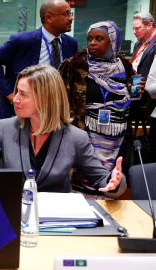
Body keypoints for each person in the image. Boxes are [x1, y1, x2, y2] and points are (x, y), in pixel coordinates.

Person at [0, 65, 126, 198]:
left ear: (45, 99)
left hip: (56, 221)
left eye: (23, 94)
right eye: (17, 91)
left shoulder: (76, 137)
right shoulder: (5, 128)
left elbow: (102, 180)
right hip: (13, 215)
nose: (15, 99)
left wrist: (115, 182)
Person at [59, 21, 144, 198]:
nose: (92, 43)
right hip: (86, 137)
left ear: (113, 42)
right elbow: (58, 100)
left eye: (99, 38)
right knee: (84, 184)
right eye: (90, 38)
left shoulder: (124, 66)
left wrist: (138, 93)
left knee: (110, 187)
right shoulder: (74, 65)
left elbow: (138, 106)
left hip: (117, 139)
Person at [0, 0, 77, 124]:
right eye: (66, 14)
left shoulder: (71, 43)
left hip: (55, 111)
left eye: (70, 13)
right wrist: (10, 92)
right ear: (49, 17)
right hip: (21, 111)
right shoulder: (22, 40)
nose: (71, 18)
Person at [131, 12, 156, 162]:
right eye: (133, 29)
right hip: (135, 94)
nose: (134, 32)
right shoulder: (138, 44)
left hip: (149, 97)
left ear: (150, 25)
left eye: (138, 28)